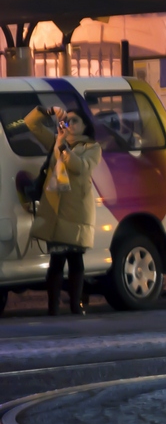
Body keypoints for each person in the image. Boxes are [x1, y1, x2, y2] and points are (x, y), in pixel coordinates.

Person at [27, 106, 101, 316]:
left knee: (76, 259)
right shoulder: (57, 141)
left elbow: (82, 167)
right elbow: (31, 123)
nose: (70, 124)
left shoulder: (92, 147)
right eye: (67, 120)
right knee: (57, 260)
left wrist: (64, 149)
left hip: (77, 210)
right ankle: (53, 308)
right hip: (56, 210)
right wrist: (50, 110)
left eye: (75, 121)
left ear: (85, 125)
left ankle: (75, 305)